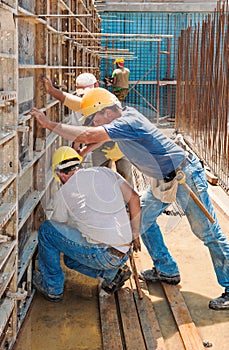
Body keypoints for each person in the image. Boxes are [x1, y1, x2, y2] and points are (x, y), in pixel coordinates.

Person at [30, 88, 229, 310]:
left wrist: (48, 124)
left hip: (185, 177)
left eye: (95, 117)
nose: (94, 122)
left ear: (106, 112)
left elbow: (88, 135)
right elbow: (99, 138)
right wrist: (83, 153)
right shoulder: (124, 117)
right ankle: (166, 269)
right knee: (140, 220)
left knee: (208, 233)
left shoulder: (128, 121)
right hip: (164, 179)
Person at [33, 146, 141, 302]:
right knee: (70, 259)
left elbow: (58, 228)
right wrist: (135, 234)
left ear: (61, 174)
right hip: (123, 250)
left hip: (102, 254)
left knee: (46, 230)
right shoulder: (105, 173)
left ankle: (52, 288)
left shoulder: (64, 193)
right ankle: (112, 274)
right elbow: (135, 199)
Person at [43, 74, 134, 185]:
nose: (83, 98)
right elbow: (80, 131)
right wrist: (75, 150)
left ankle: (128, 200)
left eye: (85, 94)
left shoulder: (108, 103)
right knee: (100, 175)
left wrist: (83, 151)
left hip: (121, 141)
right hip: (99, 141)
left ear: (96, 85)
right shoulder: (85, 102)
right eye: (81, 95)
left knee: (125, 174)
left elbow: (103, 134)